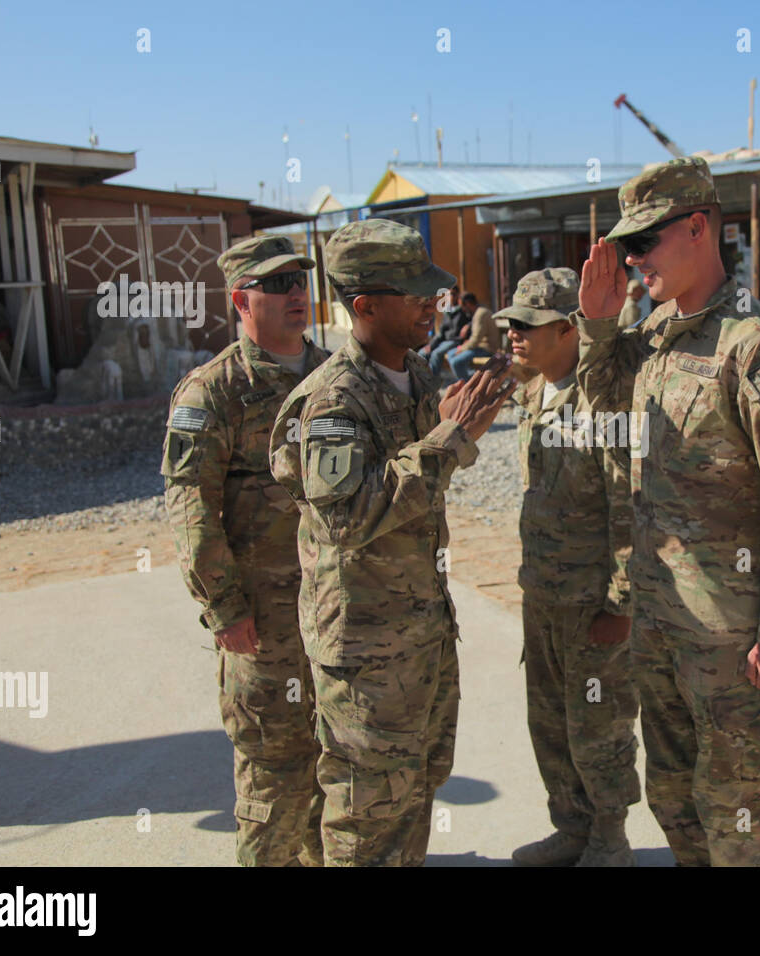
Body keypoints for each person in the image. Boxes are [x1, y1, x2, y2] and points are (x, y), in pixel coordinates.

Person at [574, 156, 760, 866]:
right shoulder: (656, 334)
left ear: (696, 227)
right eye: (626, 247)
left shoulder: (756, 345)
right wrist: (597, 327)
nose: (632, 260)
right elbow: (605, 419)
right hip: (662, 624)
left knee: (739, 815)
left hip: (730, 641)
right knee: (675, 799)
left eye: (643, 242)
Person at [269, 219, 513, 866]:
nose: (432, 304)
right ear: (364, 306)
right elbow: (348, 516)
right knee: (366, 816)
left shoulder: (418, 376)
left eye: (431, 290)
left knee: (415, 793)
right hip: (365, 653)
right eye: (414, 294)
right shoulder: (331, 401)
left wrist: (456, 428)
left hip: (424, 634)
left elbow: (423, 475)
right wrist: (448, 442)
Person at [160, 234, 329, 866]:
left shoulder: (335, 376)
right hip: (265, 620)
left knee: (337, 755)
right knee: (273, 765)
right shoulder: (213, 392)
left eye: (299, 282)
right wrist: (224, 608)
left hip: (342, 610)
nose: (295, 295)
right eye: (277, 285)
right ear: (240, 299)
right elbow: (191, 511)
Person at [500, 267, 640, 867]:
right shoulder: (534, 393)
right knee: (551, 723)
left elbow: (630, 503)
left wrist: (622, 604)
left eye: (527, 326)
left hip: (591, 602)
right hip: (544, 596)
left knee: (598, 726)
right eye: (510, 323)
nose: (513, 335)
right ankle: (572, 828)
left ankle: (610, 840)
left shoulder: (603, 398)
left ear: (568, 329)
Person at [420, 286, 471, 375]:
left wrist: (468, 325)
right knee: (422, 353)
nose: (450, 297)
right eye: (448, 295)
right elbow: (441, 332)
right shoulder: (447, 312)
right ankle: (422, 377)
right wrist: (431, 345)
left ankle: (432, 378)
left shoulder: (463, 310)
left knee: (436, 354)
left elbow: (474, 318)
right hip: (444, 340)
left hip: (455, 340)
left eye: (453, 294)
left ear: (457, 296)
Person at [448, 294, 500, 381]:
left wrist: (462, 349)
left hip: (487, 348)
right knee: (450, 353)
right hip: (479, 346)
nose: (462, 309)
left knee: (455, 362)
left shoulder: (481, 314)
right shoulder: (478, 312)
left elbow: (476, 339)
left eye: (462, 306)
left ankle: (469, 384)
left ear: (468, 304)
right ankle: (471, 378)